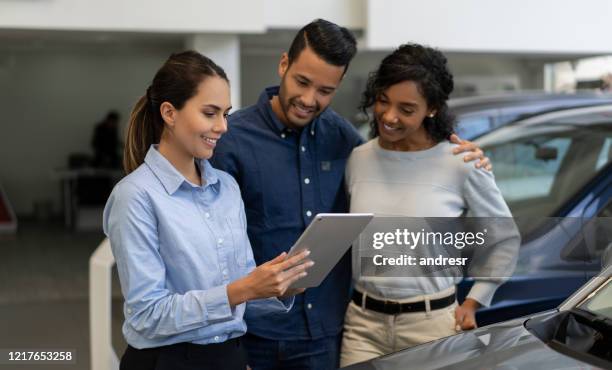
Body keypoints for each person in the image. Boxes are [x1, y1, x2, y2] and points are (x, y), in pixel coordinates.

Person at [211, 19, 491, 370]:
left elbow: (395, 176)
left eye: (325, 90)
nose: (309, 99)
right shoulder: (230, 141)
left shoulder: (347, 143)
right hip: (255, 336)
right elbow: (212, 249)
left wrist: (460, 156)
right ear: (284, 64)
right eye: (302, 82)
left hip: (328, 337)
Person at [103, 50, 313, 370]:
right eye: (210, 113)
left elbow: (239, 288)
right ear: (169, 113)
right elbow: (148, 315)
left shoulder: (227, 187)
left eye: (226, 114)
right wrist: (241, 289)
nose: (223, 127)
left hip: (230, 355)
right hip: (166, 362)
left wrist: (276, 287)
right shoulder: (135, 196)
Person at [340, 43, 520, 367]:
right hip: (362, 326)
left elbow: (504, 238)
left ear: (432, 108)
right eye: (383, 101)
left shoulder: (460, 162)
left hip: (432, 326)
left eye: (406, 109)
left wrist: (476, 301)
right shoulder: (359, 159)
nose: (389, 117)